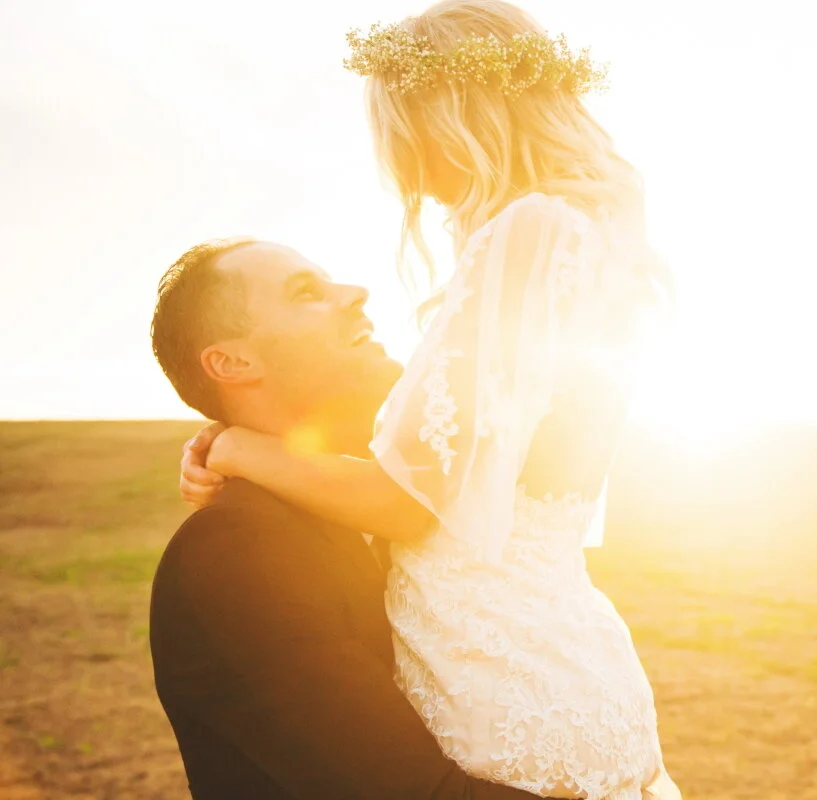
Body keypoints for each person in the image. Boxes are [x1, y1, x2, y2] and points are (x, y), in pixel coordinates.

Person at [180, 2, 679, 797]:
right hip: (572, 665)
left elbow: (409, 500)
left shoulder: (529, 232)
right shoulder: (592, 240)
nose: (390, 151)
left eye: (391, 117)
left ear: (444, 112)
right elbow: (457, 449)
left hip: (491, 677)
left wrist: (241, 449)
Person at [149, 239, 546, 799]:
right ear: (232, 362)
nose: (355, 293)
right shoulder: (234, 552)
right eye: (305, 292)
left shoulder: (387, 498)